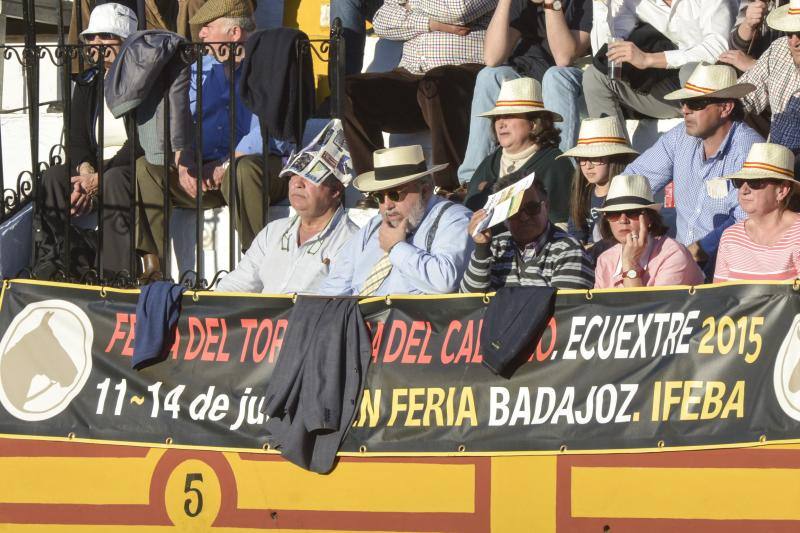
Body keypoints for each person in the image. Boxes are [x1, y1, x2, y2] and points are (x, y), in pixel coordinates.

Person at [135, 0, 287, 277]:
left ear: (234, 33)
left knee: (242, 170)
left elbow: (269, 134)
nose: (201, 34)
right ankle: (152, 267)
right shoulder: (199, 68)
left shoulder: (268, 67)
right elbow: (182, 122)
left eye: (207, 27)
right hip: (206, 174)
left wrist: (223, 166)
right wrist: (184, 159)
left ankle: (255, 265)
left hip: (258, 171)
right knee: (146, 169)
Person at [342, 0, 497, 191]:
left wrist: (409, 3)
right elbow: (381, 21)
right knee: (349, 91)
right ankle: (378, 191)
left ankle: (450, 188)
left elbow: (459, 11)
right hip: (412, 74)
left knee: (436, 83)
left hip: (464, 74)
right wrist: (432, 24)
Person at [624, 63, 763, 273]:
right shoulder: (680, 136)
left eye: (696, 103)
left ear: (725, 108)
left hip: (728, 267)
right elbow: (634, 180)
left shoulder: (748, 150)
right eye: (684, 102)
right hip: (683, 261)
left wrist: (694, 252)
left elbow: (747, 222)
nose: (685, 110)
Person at [37, 3, 141, 279]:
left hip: (128, 165)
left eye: (105, 35)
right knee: (53, 178)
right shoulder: (89, 80)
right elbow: (76, 136)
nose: (96, 43)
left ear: (126, 41)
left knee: (114, 179)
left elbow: (140, 141)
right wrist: (85, 170)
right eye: (91, 37)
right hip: (94, 168)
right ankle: (67, 263)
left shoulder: (142, 80)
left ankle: (115, 275)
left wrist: (98, 177)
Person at [456, 0, 592, 184]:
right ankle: (473, 180)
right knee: (488, 75)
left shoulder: (584, 3)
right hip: (526, 74)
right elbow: (492, 57)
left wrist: (550, 4)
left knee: (555, 76)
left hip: (571, 76)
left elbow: (564, 57)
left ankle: (558, 175)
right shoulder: (523, 3)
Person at [216, 122, 359, 294]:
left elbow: (339, 302)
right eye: (293, 174)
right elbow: (235, 286)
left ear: (335, 190)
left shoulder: (351, 242)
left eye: (310, 176)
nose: (297, 183)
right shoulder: (271, 233)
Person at [320, 145, 474, 296]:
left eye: (395, 194)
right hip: (355, 311)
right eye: (379, 197)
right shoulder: (374, 225)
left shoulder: (454, 219)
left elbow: (445, 282)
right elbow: (335, 287)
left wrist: (396, 248)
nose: (387, 205)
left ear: (425, 191)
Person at [582, 0, 737, 127]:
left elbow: (718, 48)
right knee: (594, 77)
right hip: (671, 88)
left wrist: (649, 59)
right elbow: (605, 58)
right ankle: (613, 155)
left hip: (719, 84)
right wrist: (602, 5)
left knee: (690, 71)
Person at [463, 77, 574, 225]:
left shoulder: (555, 164)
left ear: (534, 124)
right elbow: (467, 214)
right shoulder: (489, 163)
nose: (501, 124)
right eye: (497, 117)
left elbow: (560, 223)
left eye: (509, 116)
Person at [461, 175, 594, 292]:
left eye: (532, 208)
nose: (524, 217)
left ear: (546, 207)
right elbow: (469, 301)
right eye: (514, 212)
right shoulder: (496, 246)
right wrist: (482, 248)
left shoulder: (568, 249)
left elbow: (567, 307)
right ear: (503, 218)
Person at [594, 174, 705, 288]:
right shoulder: (605, 260)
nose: (623, 220)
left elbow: (640, 301)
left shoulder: (673, 254)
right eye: (613, 214)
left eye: (632, 212)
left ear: (650, 218)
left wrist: (630, 262)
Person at [714, 143, 800, 282]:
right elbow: (720, 293)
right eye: (739, 182)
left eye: (755, 182)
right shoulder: (730, 237)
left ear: (782, 190)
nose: (744, 190)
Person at [558, 115, 638, 246]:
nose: (588, 166)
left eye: (596, 158)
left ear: (614, 159)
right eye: (582, 159)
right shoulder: (583, 194)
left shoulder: (627, 196)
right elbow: (576, 231)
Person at [737, 0, 800, 153]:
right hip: (773, 157)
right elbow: (745, 96)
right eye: (789, 33)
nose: (794, 42)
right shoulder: (779, 48)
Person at [720, 0, 790, 72]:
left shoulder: (794, 6)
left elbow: (792, 68)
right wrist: (748, 25)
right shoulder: (754, 1)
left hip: (771, 74)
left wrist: (753, 65)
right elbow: (734, 48)